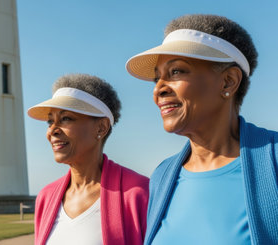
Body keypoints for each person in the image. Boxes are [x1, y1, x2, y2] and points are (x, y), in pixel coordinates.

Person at [125, 14, 278, 245]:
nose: (158, 90)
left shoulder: (273, 160)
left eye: (176, 72)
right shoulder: (162, 176)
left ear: (228, 82)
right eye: (157, 78)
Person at [28, 74, 149, 245]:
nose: (53, 130)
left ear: (101, 127)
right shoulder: (45, 197)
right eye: (50, 121)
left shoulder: (139, 192)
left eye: (66, 118)